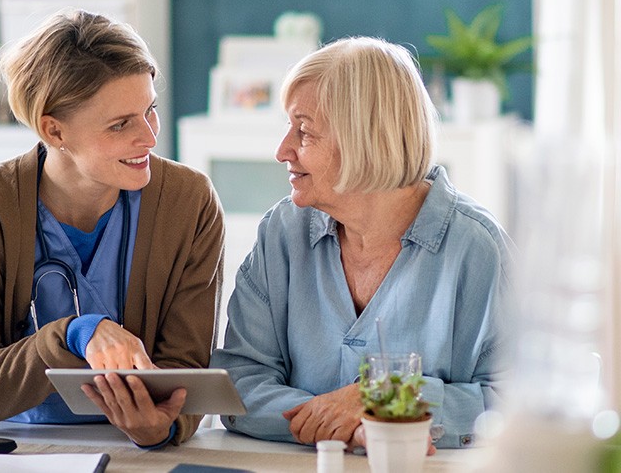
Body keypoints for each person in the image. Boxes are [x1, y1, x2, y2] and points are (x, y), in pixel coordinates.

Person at [0, 9, 225, 448]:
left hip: (137, 454)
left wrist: (162, 426)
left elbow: (186, 373)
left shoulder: (189, 203)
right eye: (120, 124)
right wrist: (73, 334)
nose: (149, 137)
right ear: (54, 129)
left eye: (151, 111)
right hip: (16, 451)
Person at [210, 36, 514, 451]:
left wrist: (382, 398)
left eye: (304, 131)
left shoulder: (478, 250)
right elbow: (240, 381)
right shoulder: (281, 232)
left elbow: (513, 403)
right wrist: (353, 423)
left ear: (365, 139)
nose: (283, 150)